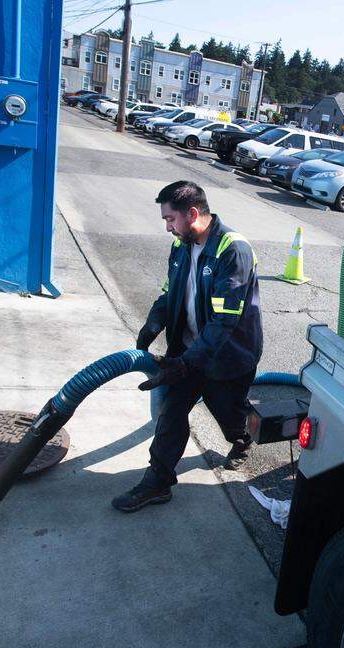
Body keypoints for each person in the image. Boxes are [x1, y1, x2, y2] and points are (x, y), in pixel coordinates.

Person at [112, 181, 263, 512]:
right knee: (172, 412)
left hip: (226, 358)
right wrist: (153, 324)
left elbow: (224, 322)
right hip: (188, 353)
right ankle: (158, 482)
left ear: (192, 213)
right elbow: (170, 293)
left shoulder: (232, 250)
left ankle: (242, 439)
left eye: (170, 219)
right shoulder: (181, 247)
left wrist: (187, 362)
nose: (167, 227)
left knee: (229, 416)